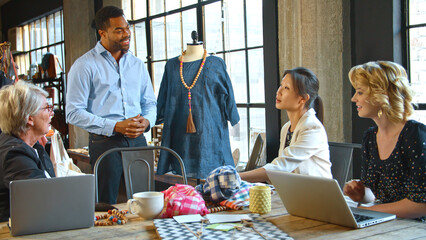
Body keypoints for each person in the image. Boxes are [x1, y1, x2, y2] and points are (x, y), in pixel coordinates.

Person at [66, 6, 156, 204]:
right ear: (102, 33)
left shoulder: (137, 65)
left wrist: (147, 122)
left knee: (145, 201)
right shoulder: (84, 66)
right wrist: (115, 126)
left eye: (127, 27)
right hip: (105, 142)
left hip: (138, 141)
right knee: (105, 204)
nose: (127, 34)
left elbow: (149, 103)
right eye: (119, 30)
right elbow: (73, 112)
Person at [344, 61, 426, 221]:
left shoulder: (415, 134)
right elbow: (371, 195)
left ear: (382, 95)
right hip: (387, 223)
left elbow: (421, 205)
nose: (354, 98)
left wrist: (371, 211)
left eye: (360, 92)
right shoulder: (370, 137)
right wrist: (361, 194)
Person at [156, 40, 239, 179]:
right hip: (180, 138)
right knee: (185, 183)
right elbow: (163, 98)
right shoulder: (171, 66)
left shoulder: (216, 64)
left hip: (210, 136)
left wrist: (233, 117)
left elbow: (228, 95)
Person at [239, 67, 331, 182]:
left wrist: (237, 177)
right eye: (281, 85)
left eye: (286, 88)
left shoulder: (312, 128)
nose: (279, 92)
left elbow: (280, 167)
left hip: (317, 196)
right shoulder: (286, 128)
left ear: (302, 99)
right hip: (295, 193)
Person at [0, 81, 56, 221]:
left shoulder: (32, 145)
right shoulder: (15, 155)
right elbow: (43, 201)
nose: (52, 113)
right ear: (29, 118)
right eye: (47, 108)